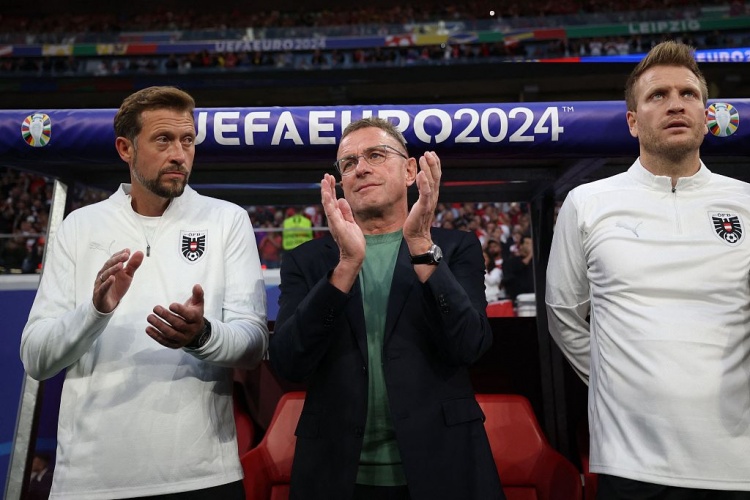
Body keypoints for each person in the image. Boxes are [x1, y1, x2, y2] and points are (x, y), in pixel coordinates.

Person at [20, 86, 269, 499]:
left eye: (187, 140)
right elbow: (36, 358)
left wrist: (202, 335)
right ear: (126, 148)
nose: (179, 154)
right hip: (89, 481)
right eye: (163, 140)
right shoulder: (79, 227)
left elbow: (253, 345)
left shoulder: (227, 220)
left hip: (203, 475)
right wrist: (93, 313)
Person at [546, 41, 750, 499]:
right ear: (633, 121)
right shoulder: (587, 203)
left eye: (688, 94)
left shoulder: (746, 202)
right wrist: (616, 381)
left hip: (737, 463)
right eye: (658, 95)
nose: (676, 104)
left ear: (705, 115)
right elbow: (562, 313)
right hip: (630, 462)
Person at [269, 117, 503, 499]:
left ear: (410, 170)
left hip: (443, 466)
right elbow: (288, 362)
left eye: (376, 155)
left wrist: (421, 245)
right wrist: (346, 266)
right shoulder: (306, 260)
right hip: (336, 472)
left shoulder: (455, 247)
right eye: (348, 163)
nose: (361, 168)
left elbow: (470, 345)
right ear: (341, 181)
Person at [501, 233, 534, 302]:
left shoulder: (535, 262)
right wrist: (531, 254)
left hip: (535, 295)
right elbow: (520, 265)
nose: (531, 246)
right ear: (521, 246)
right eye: (528, 243)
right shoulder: (511, 261)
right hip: (520, 298)